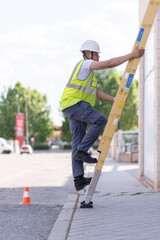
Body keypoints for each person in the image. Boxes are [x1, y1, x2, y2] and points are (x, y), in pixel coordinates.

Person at [61, 40, 144, 191]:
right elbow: (109, 63)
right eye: (96, 53)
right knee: (100, 120)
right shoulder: (85, 64)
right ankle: (82, 151)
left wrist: (114, 99)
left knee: (77, 141)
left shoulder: (89, 75)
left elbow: (97, 94)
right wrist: (132, 55)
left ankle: (78, 179)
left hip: (72, 106)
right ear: (88, 54)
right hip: (75, 104)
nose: (99, 55)